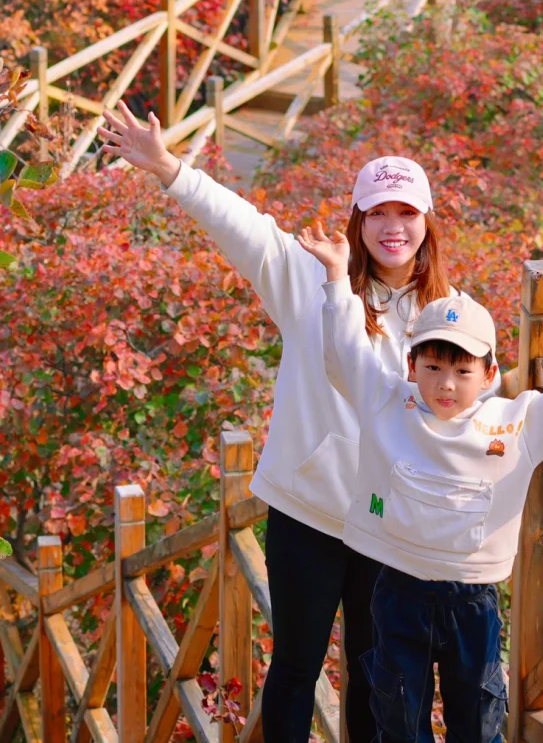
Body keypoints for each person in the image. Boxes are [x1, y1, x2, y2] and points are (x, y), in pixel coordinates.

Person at [100, 103, 465, 743]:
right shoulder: (310, 278)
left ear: (426, 223)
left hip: (390, 518)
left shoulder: (450, 314)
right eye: (377, 211)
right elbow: (242, 225)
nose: (391, 226)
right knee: (296, 664)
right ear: (357, 220)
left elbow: (484, 401)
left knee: (374, 666)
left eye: (405, 212)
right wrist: (167, 167)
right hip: (308, 509)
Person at [297, 220, 543, 743]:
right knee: (397, 714)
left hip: (472, 598)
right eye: (433, 366)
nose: (445, 383)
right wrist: (336, 276)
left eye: (463, 371)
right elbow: (347, 351)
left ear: (489, 375)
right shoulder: (387, 401)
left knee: (479, 718)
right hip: (397, 589)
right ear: (411, 364)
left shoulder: (515, 423)